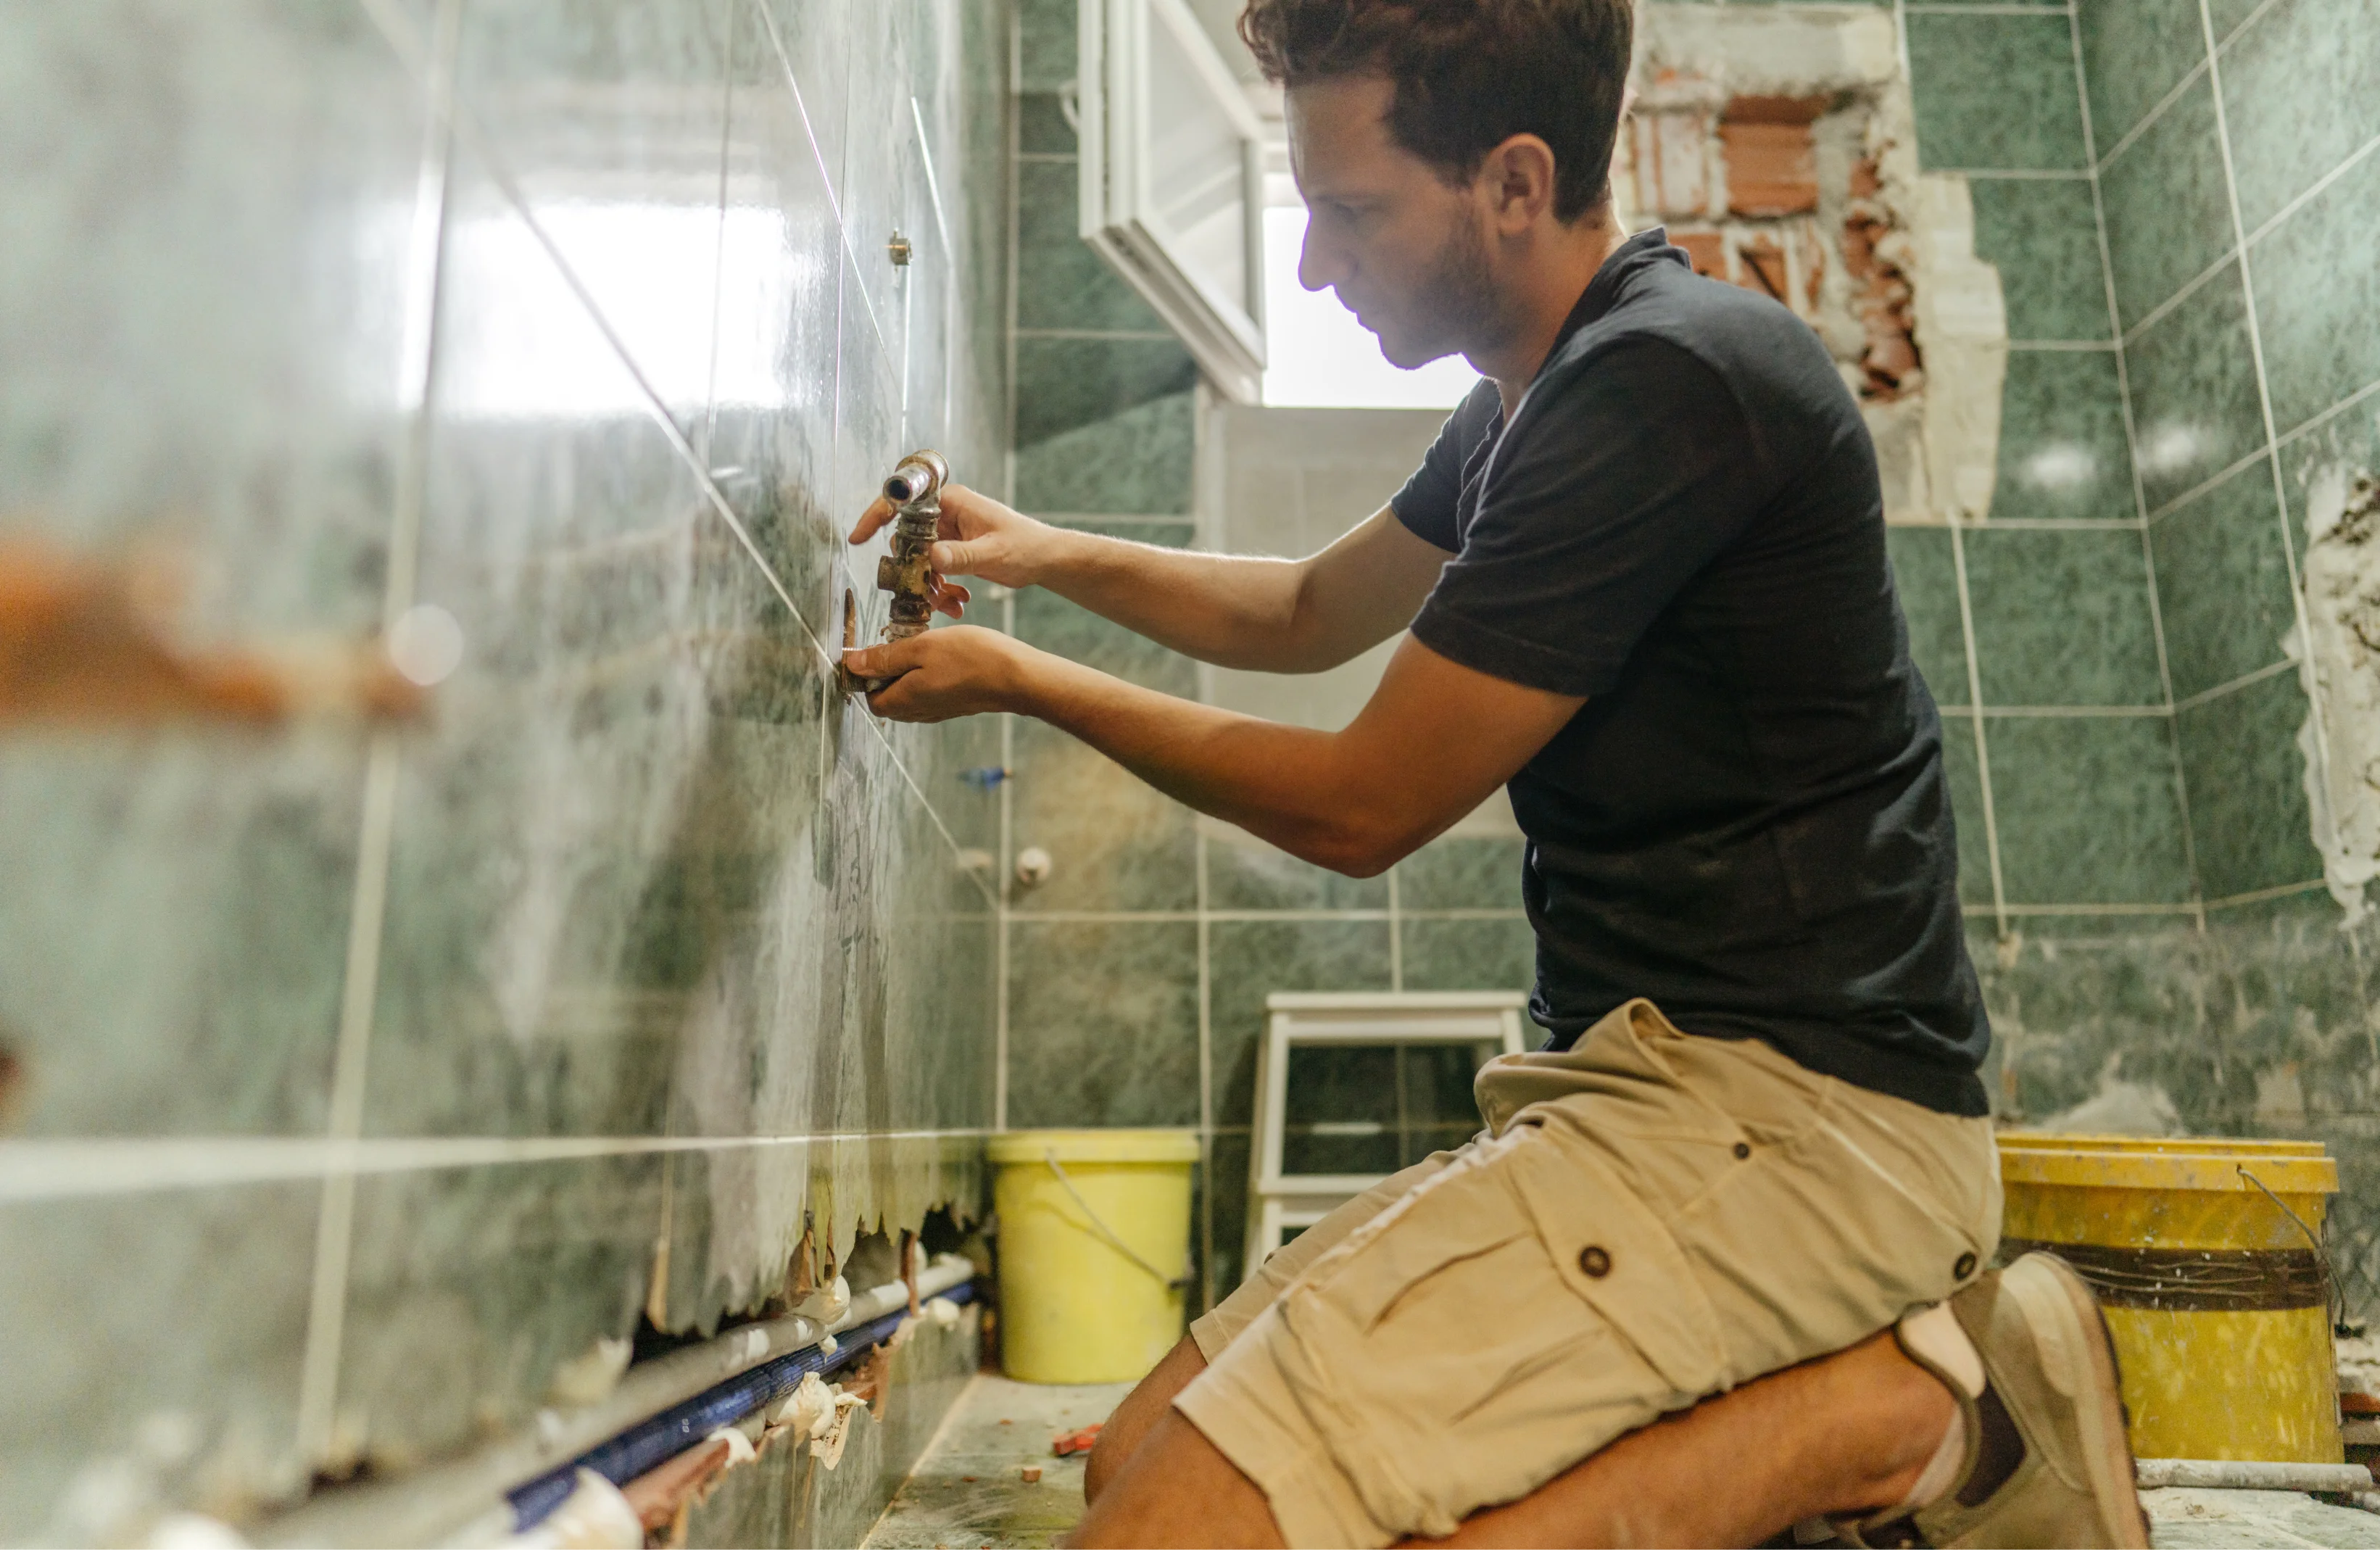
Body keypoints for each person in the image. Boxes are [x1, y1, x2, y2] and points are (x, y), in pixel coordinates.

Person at [845, 1, 2147, 1546]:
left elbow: (1360, 807)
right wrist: (1044, 554)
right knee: (1135, 1460)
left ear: (1515, 182)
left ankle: (1910, 1419)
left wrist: (1015, 677)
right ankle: (1856, 1419)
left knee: (1176, 1538)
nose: (1321, 265)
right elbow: (1309, 613)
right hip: (1638, 1089)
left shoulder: (1667, 380)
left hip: (1813, 1130)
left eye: (1349, 211)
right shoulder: (1528, 399)